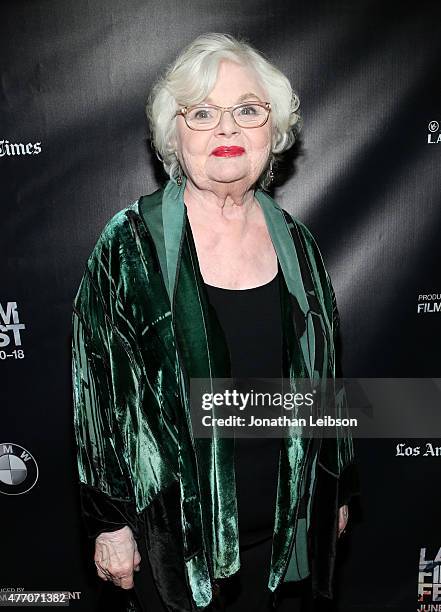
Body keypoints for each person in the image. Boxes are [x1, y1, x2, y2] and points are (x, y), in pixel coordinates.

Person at [71, 32, 359, 612]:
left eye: (247, 111)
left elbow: (326, 383)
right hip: (173, 548)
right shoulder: (130, 246)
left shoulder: (299, 245)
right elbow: (96, 397)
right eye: (202, 113)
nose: (226, 130)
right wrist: (110, 524)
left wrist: (334, 488)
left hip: (283, 544)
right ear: (174, 136)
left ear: (271, 132)